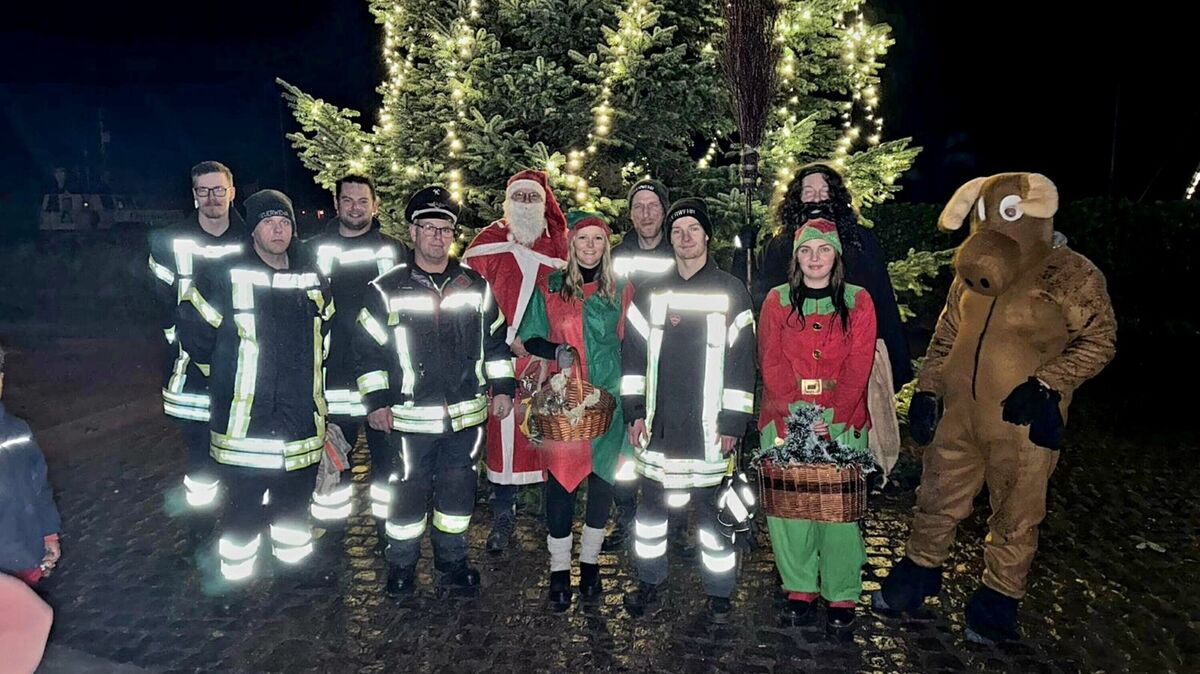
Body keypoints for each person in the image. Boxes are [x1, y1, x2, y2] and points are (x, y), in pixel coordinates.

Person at [872, 173, 1117, 644]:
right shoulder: (969, 273)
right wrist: (928, 390)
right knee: (937, 497)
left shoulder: (1070, 273)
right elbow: (947, 333)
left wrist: (1048, 382)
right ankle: (920, 572)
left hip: (1023, 423)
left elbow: (1099, 339)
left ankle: (998, 597)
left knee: (1017, 512)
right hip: (960, 416)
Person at [355, 186, 515, 595]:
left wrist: (502, 387)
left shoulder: (475, 285)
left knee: (458, 493)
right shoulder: (385, 289)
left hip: (466, 415)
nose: (437, 237)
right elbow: (367, 352)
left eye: (445, 229)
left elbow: (495, 341)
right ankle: (403, 566)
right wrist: (376, 402)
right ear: (412, 232)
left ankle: (452, 561)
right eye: (428, 228)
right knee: (406, 495)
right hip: (408, 419)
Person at [177, 189, 334, 586]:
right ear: (254, 231)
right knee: (242, 514)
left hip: (300, 425)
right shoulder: (223, 275)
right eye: (268, 222)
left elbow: (326, 338)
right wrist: (226, 376)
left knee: (294, 512)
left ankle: (293, 578)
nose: (278, 229)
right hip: (243, 427)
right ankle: (233, 585)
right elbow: (194, 333)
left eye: (284, 222)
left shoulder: (312, 278)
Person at [620, 198, 757, 623]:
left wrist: (734, 421)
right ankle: (649, 582)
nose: (684, 237)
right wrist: (635, 412)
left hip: (710, 432)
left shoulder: (732, 292)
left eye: (693, 230)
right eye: (678, 231)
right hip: (657, 429)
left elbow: (742, 364)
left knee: (713, 521)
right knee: (650, 518)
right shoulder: (650, 293)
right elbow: (632, 360)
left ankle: (719, 594)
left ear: (707, 236)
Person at [757, 218, 877, 633]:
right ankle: (799, 585)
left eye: (823, 250)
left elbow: (859, 364)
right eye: (806, 251)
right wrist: (798, 414)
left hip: (841, 422)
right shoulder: (776, 301)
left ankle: (842, 589)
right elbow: (770, 360)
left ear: (836, 256)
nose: (814, 259)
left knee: (838, 511)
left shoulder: (859, 301)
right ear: (796, 258)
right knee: (790, 509)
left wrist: (831, 418)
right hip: (784, 418)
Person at [517, 210, 635, 610]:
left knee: (603, 485)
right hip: (564, 405)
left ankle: (590, 565)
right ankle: (558, 569)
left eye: (597, 240)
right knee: (561, 489)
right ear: (571, 245)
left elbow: (631, 344)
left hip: (607, 403)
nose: (590, 247)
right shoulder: (549, 286)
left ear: (606, 246)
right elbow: (528, 338)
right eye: (583, 239)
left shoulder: (620, 290)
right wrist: (556, 351)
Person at [462, 170, 568, 553]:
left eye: (531, 198)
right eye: (519, 197)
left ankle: (546, 513)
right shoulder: (487, 243)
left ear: (542, 203)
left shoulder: (558, 248)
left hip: (545, 358)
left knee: (545, 435)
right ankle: (503, 513)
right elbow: (470, 303)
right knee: (503, 437)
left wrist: (543, 351)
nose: (525, 204)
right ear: (508, 202)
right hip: (499, 358)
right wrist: (504, 342)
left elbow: (566, 307)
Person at [305, 175, 403, 531]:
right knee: (333, 461)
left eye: (363, 201)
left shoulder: (395, 251)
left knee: (388, 466)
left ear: (375, 206)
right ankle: (331, 536)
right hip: (332, 377)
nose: (355, 207)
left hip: (382, 382)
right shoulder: (311, 251)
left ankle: (388, 535)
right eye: (348, 200)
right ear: (336, 204)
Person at [148, 161, 246, 514]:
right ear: (194, 195)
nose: (212, 198)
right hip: (189, 372)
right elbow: (156, 303)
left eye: (219, 189)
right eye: (204, 190)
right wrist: (177, 340)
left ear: (232, 192)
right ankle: (200, 534)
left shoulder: (252, 240)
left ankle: (239, 522)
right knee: (200, 459)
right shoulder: (168, 242)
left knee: (242, 457)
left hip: (244, 369)